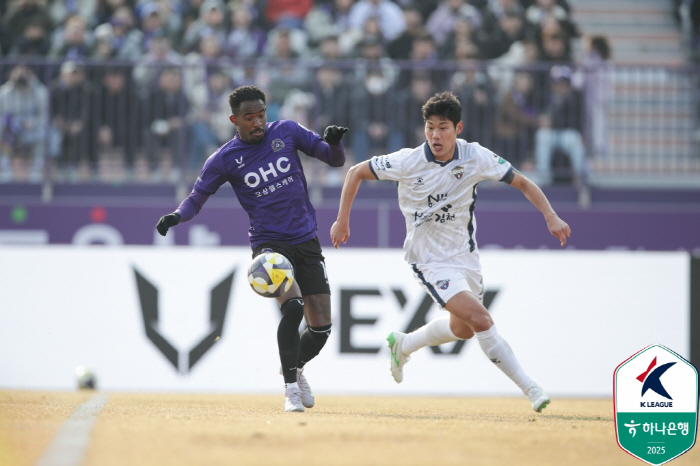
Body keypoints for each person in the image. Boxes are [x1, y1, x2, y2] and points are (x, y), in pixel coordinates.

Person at [330, 91, 570, 412]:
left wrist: (551, 216)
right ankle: (531, 388)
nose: (434, 135)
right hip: (427, 259)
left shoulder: (475, 156)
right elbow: (355, 172)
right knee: (481, 319)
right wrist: (342, 220)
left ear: (458, 128)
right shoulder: (407, 160)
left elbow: (523, 183)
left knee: (463, 329)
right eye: (429, 127)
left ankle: (404, 344)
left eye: (442, 127)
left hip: (465, 257)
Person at [155, 85, 348, 413]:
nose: (258, 122)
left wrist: (334, 142)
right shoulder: (224, 159)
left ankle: (295, 367)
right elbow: (197, 198)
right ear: (234, 120)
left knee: (322, 327)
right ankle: (289, 390)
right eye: (249, 118)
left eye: (261, 114)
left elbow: (333, 160)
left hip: (306, 238)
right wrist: (176, 216)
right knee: (292, 308)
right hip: (269, 244)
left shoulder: (286, 131)